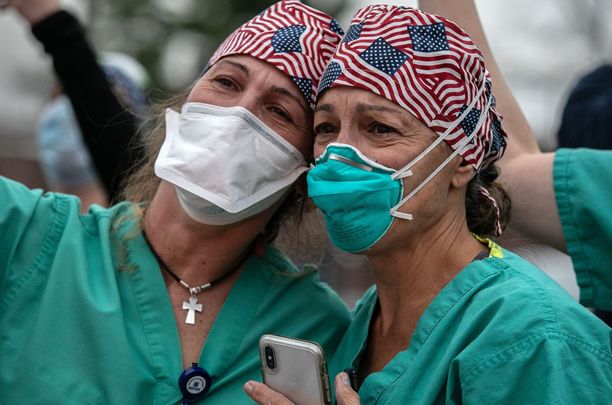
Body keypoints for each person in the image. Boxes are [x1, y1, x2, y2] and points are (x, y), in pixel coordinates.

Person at [244, 3, 612, 404]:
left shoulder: (534, 341)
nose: (339, 155)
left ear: (463, 161)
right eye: (326, 128)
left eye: (379, 128)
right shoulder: (370, 317)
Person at [0, 1, 350, 403]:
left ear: (303, 174)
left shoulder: (316, 328)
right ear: (184, 106)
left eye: (279, 111)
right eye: (227, 83)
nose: (237, 113)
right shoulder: (28, 238)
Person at [11, 0, 147, 203]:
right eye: (62, 94)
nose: (71, 109)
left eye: (109, 103)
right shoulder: (15, 215)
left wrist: (52, 23)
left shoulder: (136, 224)